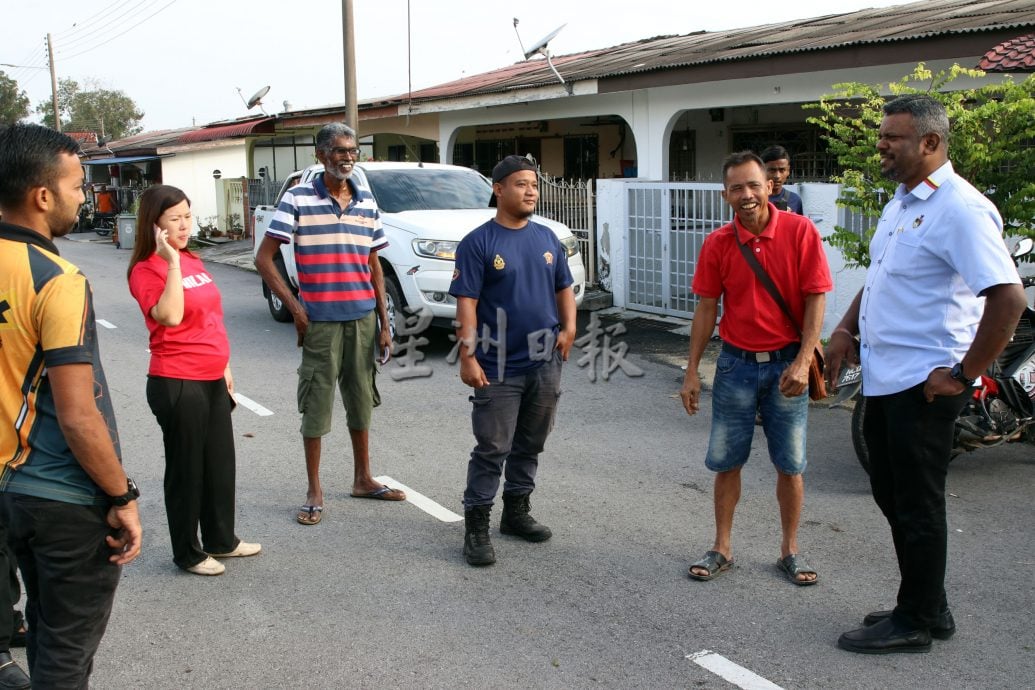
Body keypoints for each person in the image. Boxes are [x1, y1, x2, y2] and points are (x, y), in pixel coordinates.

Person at [826, 95, 1026, 654]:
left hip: (925, 385)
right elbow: (885, 277)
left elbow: (1007, 297)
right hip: (886, 379)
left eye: (893, 137)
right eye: (882, 135)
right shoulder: (901, 203)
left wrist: (964, 374)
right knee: (893, 493)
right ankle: (927, 603)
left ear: (931, 143)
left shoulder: (960, 208)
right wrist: (846, 329)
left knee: (917, 503)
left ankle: (915, 620)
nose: (881, 145)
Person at [0, 123, 142, 687]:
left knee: (36, 627)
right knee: (63, 656)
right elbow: (79, 414)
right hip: (61, 497)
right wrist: (122, 496)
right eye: (78, 186)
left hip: (7, 490)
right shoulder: (56, 279)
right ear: (42, 196)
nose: (83, 198)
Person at [680, 151, 831, 585]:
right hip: (735, 367)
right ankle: (722, 548)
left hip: (788, 366)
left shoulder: (801, 232)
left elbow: (817, 297)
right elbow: (707, 308)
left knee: (791, 464)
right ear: (724, 194)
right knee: (727, 462)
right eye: (736, 188)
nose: (746, 195)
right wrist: (691, 371)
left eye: (752, 185)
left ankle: (790, 551)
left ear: (769, 186)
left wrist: (804, 360)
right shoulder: (718, 244)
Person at [254, 122, 404, 526]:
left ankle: (363, 478)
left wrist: (384, 320)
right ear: (321, 155)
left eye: (353, 150)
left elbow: (373, 261)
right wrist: (297, 308)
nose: (348, 157)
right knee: (316, 406)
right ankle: (314, 489)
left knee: (361, 401)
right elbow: (264, 258)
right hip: (319, 322)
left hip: (362, 320)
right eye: (339, 150)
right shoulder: (298, 198)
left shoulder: (366, 200)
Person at [449, 154, 576, 567]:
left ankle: (516, 513)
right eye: (520, 184)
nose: (530, 191)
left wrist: (569, 329)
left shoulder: (546, 239)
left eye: (534, 185)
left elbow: (564, 288)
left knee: (530, 443)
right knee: (492, 447)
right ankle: (476, 528)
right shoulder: (478, 243)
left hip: (544, 360)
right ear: (498, 189)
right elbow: (466, 305)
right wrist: (468, 358)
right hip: (496, 364)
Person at [128, 185, 261, 576]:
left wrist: (225, 365)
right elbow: (169, 316)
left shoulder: (195, 261)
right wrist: (170, 262)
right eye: (175, 219)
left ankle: (222, 540)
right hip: (176, 381)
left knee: (219, 464)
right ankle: (187, 552)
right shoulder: (146, 269)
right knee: (187, 471)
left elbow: (210, 319)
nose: (185, 225)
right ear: (154, 225)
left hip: (211, 376)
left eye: (188, 215)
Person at [760, 145, 804, 214]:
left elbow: (799, 224)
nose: (777, 176)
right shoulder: (755, 199)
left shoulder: (795, 200)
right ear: (762, 170)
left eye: (782, 170)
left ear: (788, 171)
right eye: (772, 170)